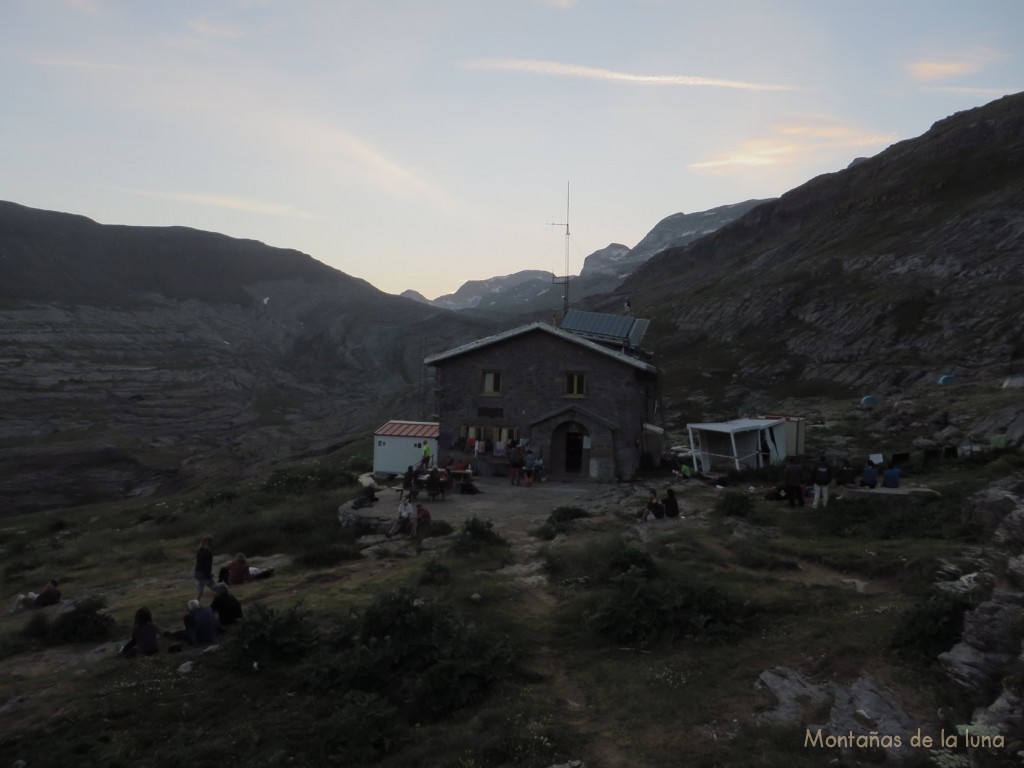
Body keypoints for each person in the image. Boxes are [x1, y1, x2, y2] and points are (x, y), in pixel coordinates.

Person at [194, 536, 215, 601]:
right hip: (204, 575)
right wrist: (209, 576)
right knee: (216, 588)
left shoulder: (199, 551)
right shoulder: (208, 553)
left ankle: (196, 605)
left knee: (199, 592)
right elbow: (207, 566)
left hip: (197, 573)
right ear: (209, 543)